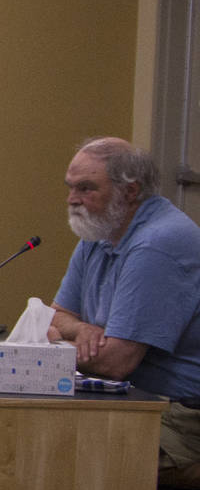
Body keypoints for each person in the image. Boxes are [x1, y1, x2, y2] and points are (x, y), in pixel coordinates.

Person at [47, 138, 200, 469]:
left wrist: (38, 354)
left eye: (86, 189)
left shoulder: (157, 244)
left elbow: (116, 362)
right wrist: (82, 328)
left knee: (60, 458)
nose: (73, 200)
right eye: (70, 188)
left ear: (130, 192)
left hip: (177, 413)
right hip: (128, 396)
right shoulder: (99, 230)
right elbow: (57, 317)